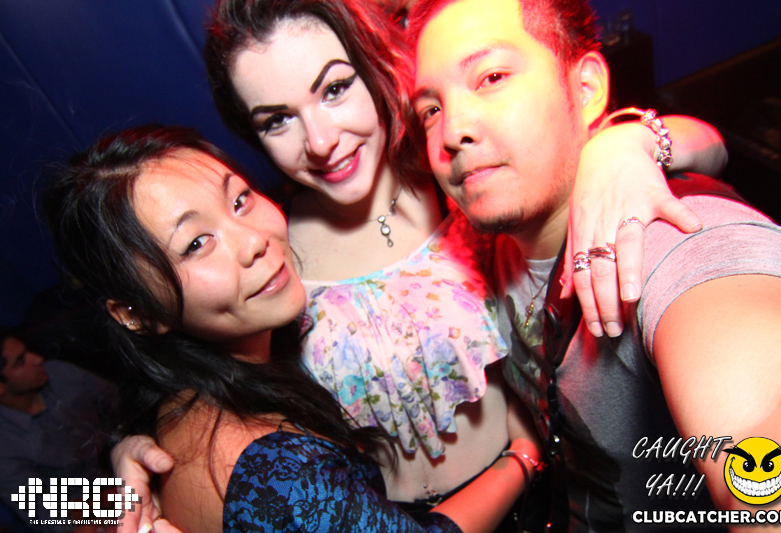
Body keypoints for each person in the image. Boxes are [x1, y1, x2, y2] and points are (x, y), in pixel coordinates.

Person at [116, 0, 730, 530]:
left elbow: (709, 144)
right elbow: (182, 384)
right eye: (277, 120)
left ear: (376, 68)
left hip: (546, 489)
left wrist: (626, 144)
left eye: (335, 89)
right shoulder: (266, 252)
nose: (321, 141)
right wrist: (107, 492)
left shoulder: (461, 174)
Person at [408, 0, 781, 529]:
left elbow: (772, 402)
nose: (452, 130)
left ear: (586, 87)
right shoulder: (484, 241)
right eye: (430, 110)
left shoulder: (671, 244)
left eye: (492, 77)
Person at [44, 124, 545, 533]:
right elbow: (24, 500)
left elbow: (43, 501)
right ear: (134, 314)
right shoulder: (276, 470)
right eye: (196, 243)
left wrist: (110, 496)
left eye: (240, 200)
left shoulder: (180, 405)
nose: (254, 241)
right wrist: (523, 456)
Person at [0, 327, 117, 533]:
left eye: (28, 351)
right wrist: (110, 500)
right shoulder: (4, 443)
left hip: (123, 463)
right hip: (87, 513)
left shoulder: (59, 373)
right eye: (20, 361)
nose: (37, 359)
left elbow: (123, 404)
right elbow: (44, 513)